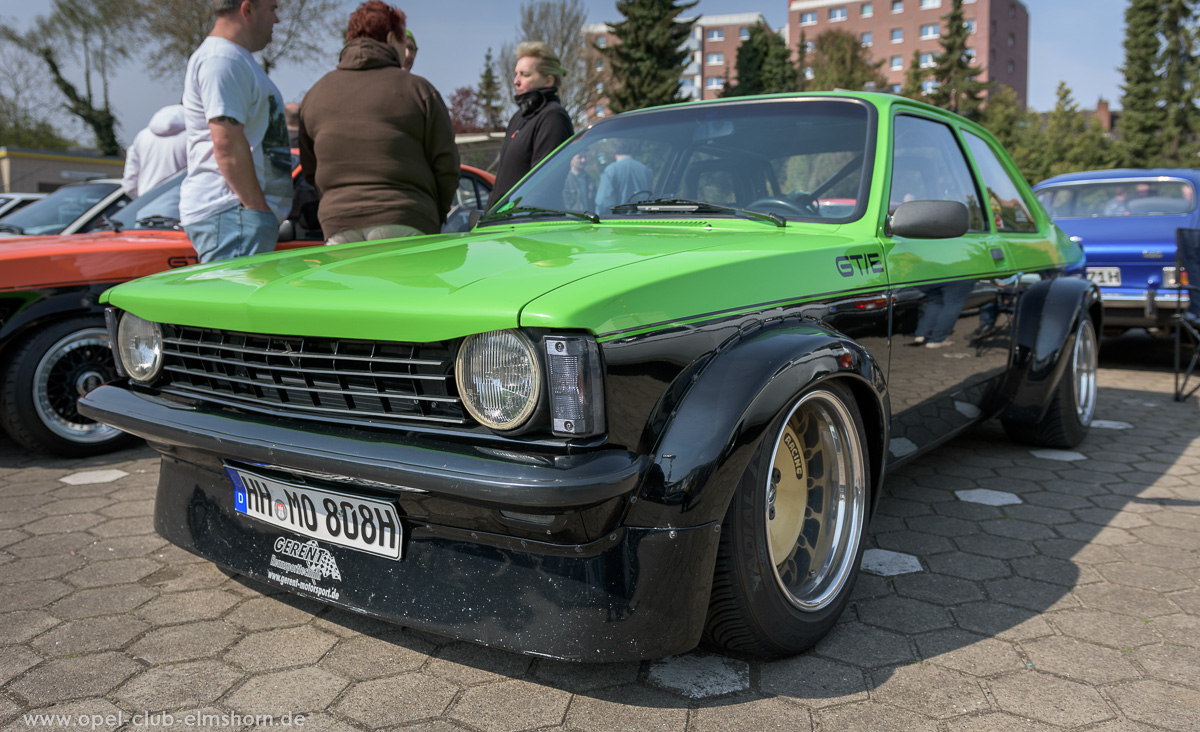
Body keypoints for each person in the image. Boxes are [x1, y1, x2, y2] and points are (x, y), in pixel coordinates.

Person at [298, 1, 458, 244]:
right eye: (403, 42)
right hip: (406, 219)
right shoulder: (419, 90)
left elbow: (310, 169)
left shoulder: (314, 95)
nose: (406, 51)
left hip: (338, 226)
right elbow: (446, 164)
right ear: (392, 37)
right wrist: (435, 213)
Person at [180, 0, 293, 263]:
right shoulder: (222, 60)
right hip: (234, 212)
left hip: (237, 214)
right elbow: (226, 143)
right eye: (273, 9)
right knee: (230, 302)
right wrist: (257, 209)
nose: (277, 20)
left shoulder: (231, 59)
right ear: (248, 9)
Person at [488, 42, 573, 208]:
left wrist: (511, 219)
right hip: (501, 224)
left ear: (548, 80)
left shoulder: (553, 117)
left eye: (525, 75)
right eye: (516, 74)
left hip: (525, 226)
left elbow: (544, 186)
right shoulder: (519, 118)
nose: (516, 81)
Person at [122, 104, 187, 199]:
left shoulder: (142, 136)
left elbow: (129, 184)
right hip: (180, 207)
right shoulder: (196, 136)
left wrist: (144, 201)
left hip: (146, 207)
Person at [595, 139, 654, 213]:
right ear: (632, 150)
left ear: (613, 151)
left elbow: (603, 203)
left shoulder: (610, 171)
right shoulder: (646, 170)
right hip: (644, 220)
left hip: (619, 221)